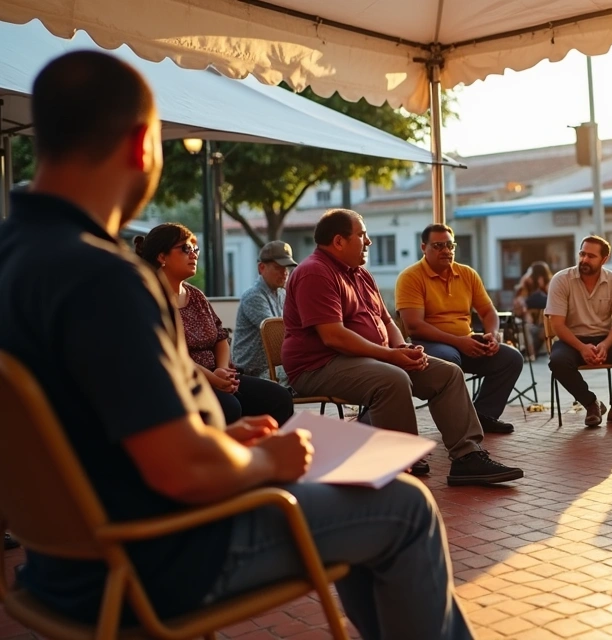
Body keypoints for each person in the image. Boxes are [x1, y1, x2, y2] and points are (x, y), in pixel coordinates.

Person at [0, 50, 475, 638]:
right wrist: (263, 460)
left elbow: (89, 430)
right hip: (159, 557)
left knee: (360, 505)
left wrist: (220, 438)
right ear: (140, 145)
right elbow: (182, 472)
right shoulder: (103, 278)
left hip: (61, 565)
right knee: (405, 508)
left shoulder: (18, 256)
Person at [282, 208, 523, 485]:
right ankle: (401, 461)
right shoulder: (315, 272)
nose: (369, 241)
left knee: (447, 373)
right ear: (338, 241)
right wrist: (391, 356)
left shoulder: (360, 274)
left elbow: (386, 320)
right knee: (392, 379)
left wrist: (402, 347)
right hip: (319, 366)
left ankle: (468, 457)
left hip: (370, 358)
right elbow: (334, 337)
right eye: (362, 235)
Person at [134, 223, 294, 427]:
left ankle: (269, 454)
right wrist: (213, 378)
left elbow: (220, 337)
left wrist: (221, 370)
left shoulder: (196, 296)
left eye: (195, 249)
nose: (193, 254)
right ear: (162, 256)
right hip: (181, 381)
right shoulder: (149, 297)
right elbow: (170, 355)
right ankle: (228, 457)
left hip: (217, 374)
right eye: (185, 248)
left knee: (279, 398)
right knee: (229, 407)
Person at [396, 223, 522, 434]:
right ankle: (458, 426)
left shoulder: (467, 274)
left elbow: (489, 312)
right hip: (430, 345)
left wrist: (493, 335)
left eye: (450, 245)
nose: (446, 250)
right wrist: (458, 342)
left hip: (466, 341)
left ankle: (483, 416)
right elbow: (414, 326)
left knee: (511, 358)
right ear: (423, 247)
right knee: (449, 359)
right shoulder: (411, 277)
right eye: (438, 246)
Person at [546, 235, 612, 428]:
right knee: (557, 361)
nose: (584, 259)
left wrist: (605, 345)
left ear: (604, 259)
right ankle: (591, 404)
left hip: (604, 339)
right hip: (571, 340)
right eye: (582, 254)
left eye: (591, 256)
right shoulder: (561, 280)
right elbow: (557, 325)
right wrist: (581, 347)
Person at [232, 240, 297, 380]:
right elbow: (276, 334)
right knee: (310, 371)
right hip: (253, 374)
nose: (285, 273)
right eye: (278, 267)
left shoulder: (282, 294)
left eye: (286, 268)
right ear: (261, 268)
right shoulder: (253, 296)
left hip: (274, 367)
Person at [514, 261, 552, 359]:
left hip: (543, 326)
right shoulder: (525, 287)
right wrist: (525, 311)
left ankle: (538, 352)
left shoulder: (550, 287)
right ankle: (531, 354)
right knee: (526, 326)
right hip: (529, 327)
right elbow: (519, 306)